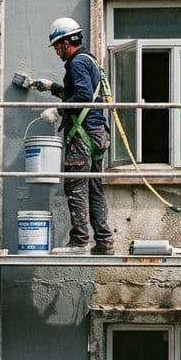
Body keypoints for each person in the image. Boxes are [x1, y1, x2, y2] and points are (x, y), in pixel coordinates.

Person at [31, 17, 114, 255]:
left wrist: (58, 111)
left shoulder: (77, 63)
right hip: (97, 134)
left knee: (75, 187)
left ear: (66, 43)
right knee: (94, 188)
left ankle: (79, 241)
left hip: (83, 134)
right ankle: (104, 241)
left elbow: (83, 97)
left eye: (57, 47)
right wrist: (52, 87)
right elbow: (80, 93)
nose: (56, 51)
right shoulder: (89, 60)